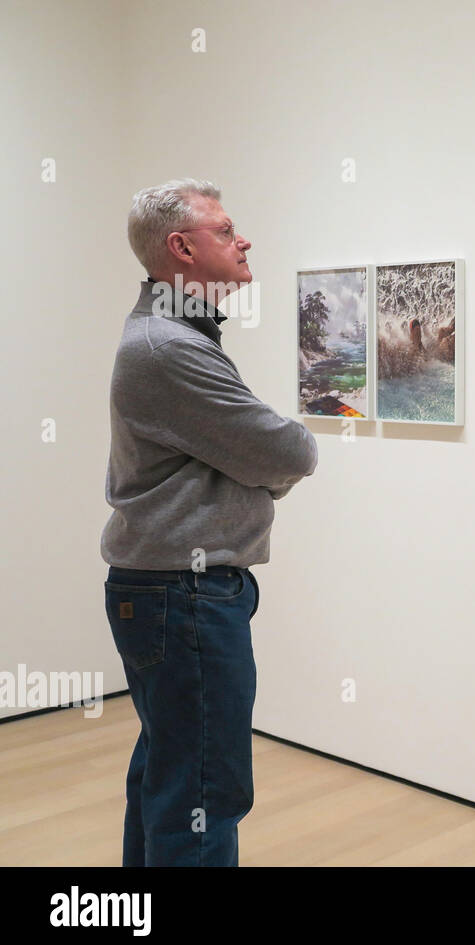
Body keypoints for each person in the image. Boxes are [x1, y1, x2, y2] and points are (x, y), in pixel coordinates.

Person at [101, 178, 318, 866]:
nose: (243, 239)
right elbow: (291, 450)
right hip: (184, 597)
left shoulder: (177, 336)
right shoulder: (168, 347)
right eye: (225, 231)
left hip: (173, 594)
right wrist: (263, 469)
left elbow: (261, 456)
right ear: (182, 248)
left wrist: (256, 467)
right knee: (202, 791)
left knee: (173, 774)